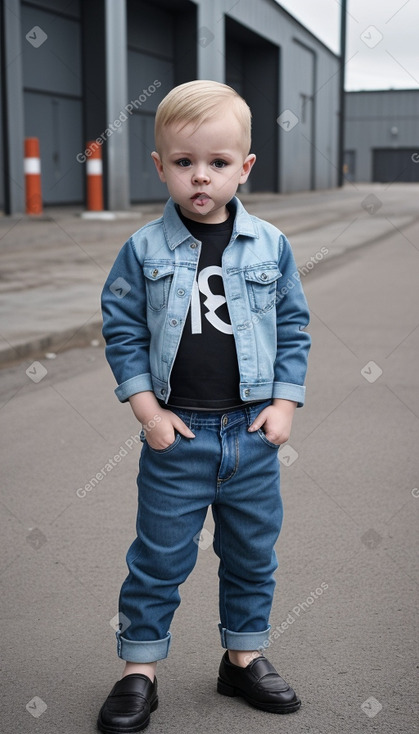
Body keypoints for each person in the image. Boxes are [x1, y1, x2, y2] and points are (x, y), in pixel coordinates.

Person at [98, 79, 311, 733]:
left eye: (217, 163)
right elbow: (123, 331)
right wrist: (146, 412)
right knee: (158, 557)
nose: (200, 177)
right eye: (184, 162)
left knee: (251, 552)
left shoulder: (269, 245)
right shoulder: (141, 250)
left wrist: (284, 403)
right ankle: (139, 669)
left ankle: (243, 657)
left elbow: (294, 329)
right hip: (179, 434)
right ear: (159, 166)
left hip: (250, 434)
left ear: (243, 167)